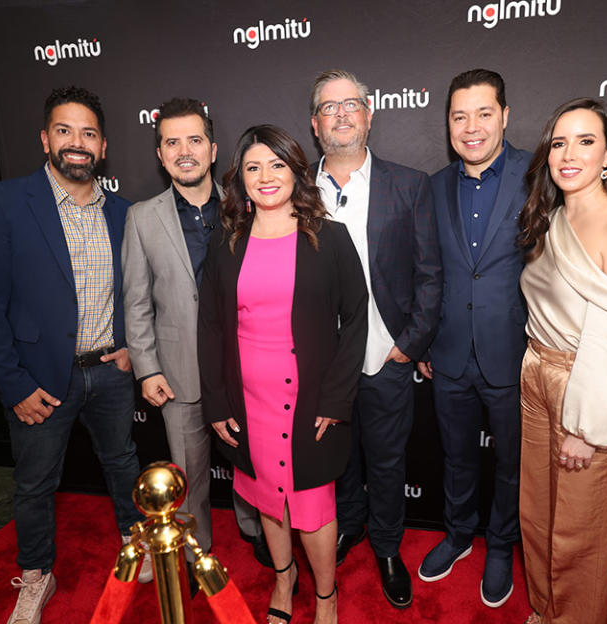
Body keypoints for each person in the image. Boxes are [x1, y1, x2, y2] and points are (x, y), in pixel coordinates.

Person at [0, 86, 144, 624]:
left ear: (103, 146)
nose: (77, 143)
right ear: (45, 138)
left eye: (88, 133)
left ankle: (136, 546)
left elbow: (139, 290)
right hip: (39, 379)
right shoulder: (2, 202)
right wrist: (13, 385)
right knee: (36, 482)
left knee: (122, 461)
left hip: (109, 373)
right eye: (64, 131)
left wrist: (133, 344)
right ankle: (37, 573)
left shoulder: (125, 213)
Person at [198, 124, 368, 624]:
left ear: (296, 171)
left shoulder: (330, 239)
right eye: (253, 167)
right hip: (247, 398)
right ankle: (283, 576)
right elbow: (209, 326)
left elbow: (356, 318)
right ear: (240, 179)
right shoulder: (225, 243)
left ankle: (325, 596)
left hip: (312, 401)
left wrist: (337, 401)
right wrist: (216, 402)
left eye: (276, 165)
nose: (265, 176)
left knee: (313, 508)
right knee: (267, 500)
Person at [516, 98, 607, 624]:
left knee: (581, 528)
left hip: (588, 387)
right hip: (536, 375)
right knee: (538, 515)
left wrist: (586, 429)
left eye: (586, 141)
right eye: (559, 142)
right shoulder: (550, 218)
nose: (569, 154)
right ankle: (544, 611)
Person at [309, 68, 442, 610]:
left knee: (387, 462)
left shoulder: (410, 185)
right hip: (319, 364)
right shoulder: (290, 188)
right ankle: (349, 527)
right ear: (316, 124)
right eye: (329, 107)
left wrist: (409, 344)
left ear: (369, 115)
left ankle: (388, 548)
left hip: (387, 357)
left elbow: (431, 275)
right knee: (336, 461)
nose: (341, 114)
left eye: (352, 104)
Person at [121, 98, 270, 571]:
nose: (184, 151)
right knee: (189, 473)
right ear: (160, 155)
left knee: (253, 463)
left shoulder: (248, 207)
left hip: (247, 368)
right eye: (172, 142)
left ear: (212, 150)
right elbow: (136, 301)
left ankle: (258, 534)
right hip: (179, 370)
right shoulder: (142, 217)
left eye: (194, 140)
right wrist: (147, 369)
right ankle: (194, 549)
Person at [416, 69, 532, 608]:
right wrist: (423, 342)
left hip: (513, 354)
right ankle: (460, 534)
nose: (471, 126)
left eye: (484, 113)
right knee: (457, 456)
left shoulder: (540, 175)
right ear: (447, 124)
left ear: (505, 116)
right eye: (459, 115)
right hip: (448, 354)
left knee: (511, 463)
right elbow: (427, 271)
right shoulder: (432, 187)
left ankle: (502, 546)